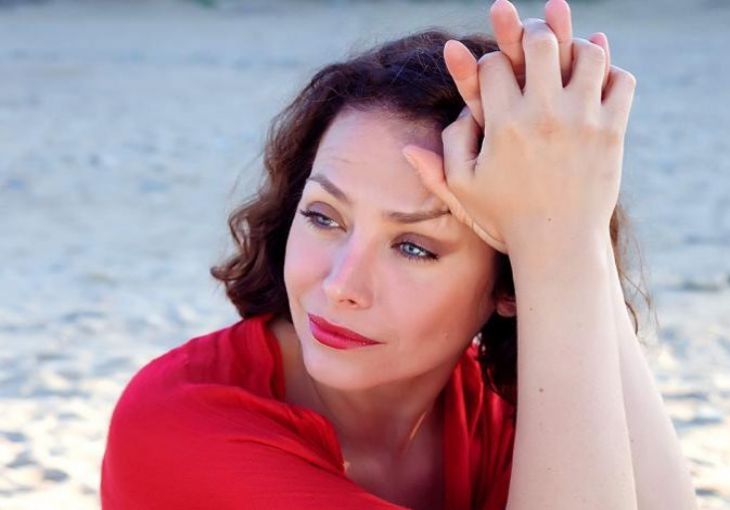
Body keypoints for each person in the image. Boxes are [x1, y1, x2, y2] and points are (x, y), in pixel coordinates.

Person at [101, 0, 698, 509]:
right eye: (323, 217)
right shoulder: (181, 426)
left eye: (413, 247)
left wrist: (574, 226)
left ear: (512, 284)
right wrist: (564, 237)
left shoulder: (510, 414)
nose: (341, 285)